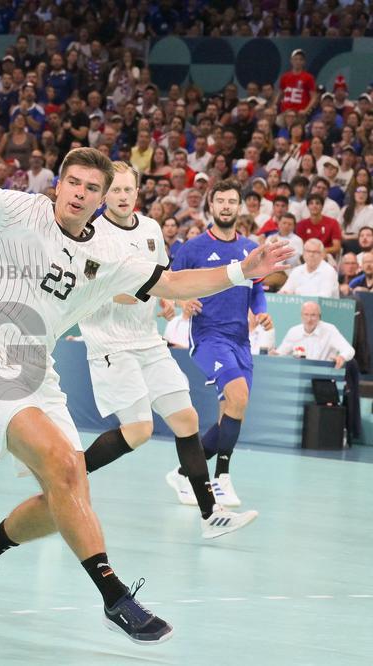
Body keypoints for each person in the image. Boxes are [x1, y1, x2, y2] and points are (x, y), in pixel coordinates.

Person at [0, 73, 290, 645]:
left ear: (102, 198)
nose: (77, 192)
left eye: (90, 187)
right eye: (70, 181)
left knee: (66, 494)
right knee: (66, 469)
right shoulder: (21, 211)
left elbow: (171, 284)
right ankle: (115, 597)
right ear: (59, 185)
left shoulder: (110, 251)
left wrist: (246, 269)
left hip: (38, 369)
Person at [78, 163, 257, 538]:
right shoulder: (91, 235)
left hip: (148, 340)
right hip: (111, 344)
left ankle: (210, 516)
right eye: (116, 191)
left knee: (186, 420)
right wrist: (159, 292)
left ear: (137, 192)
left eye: (129, 190)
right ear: (104, 193)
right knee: (139, 429)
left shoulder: (150, 229)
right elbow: (108, 292)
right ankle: (68, 474)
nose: (123, 197)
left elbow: (163, 275)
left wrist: (166, 300)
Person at [171, 181, 276, 509]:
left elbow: (257, 289)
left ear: (240, 207)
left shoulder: (250, 249)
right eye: (221, 201)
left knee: (234, 409)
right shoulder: (193, 248)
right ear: (211, 206)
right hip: (208, 337)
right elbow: (170, 285)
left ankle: (184, 472)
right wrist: (184, 300)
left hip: (240, 340)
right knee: (238, 395)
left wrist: (261, 312)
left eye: (233, 201)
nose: (227, 206)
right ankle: (222, 480)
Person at [271, 301, 355, 368]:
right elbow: (280, 353)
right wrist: (273, 355)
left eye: (313, 315)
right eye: (306, 315)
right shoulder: (294, 331)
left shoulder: (329, 330)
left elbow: (349, 350)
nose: (309, 319)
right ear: (301, 316)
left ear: (319, 316)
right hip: (299, 376)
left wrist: (342, 357)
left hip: (323, 377)